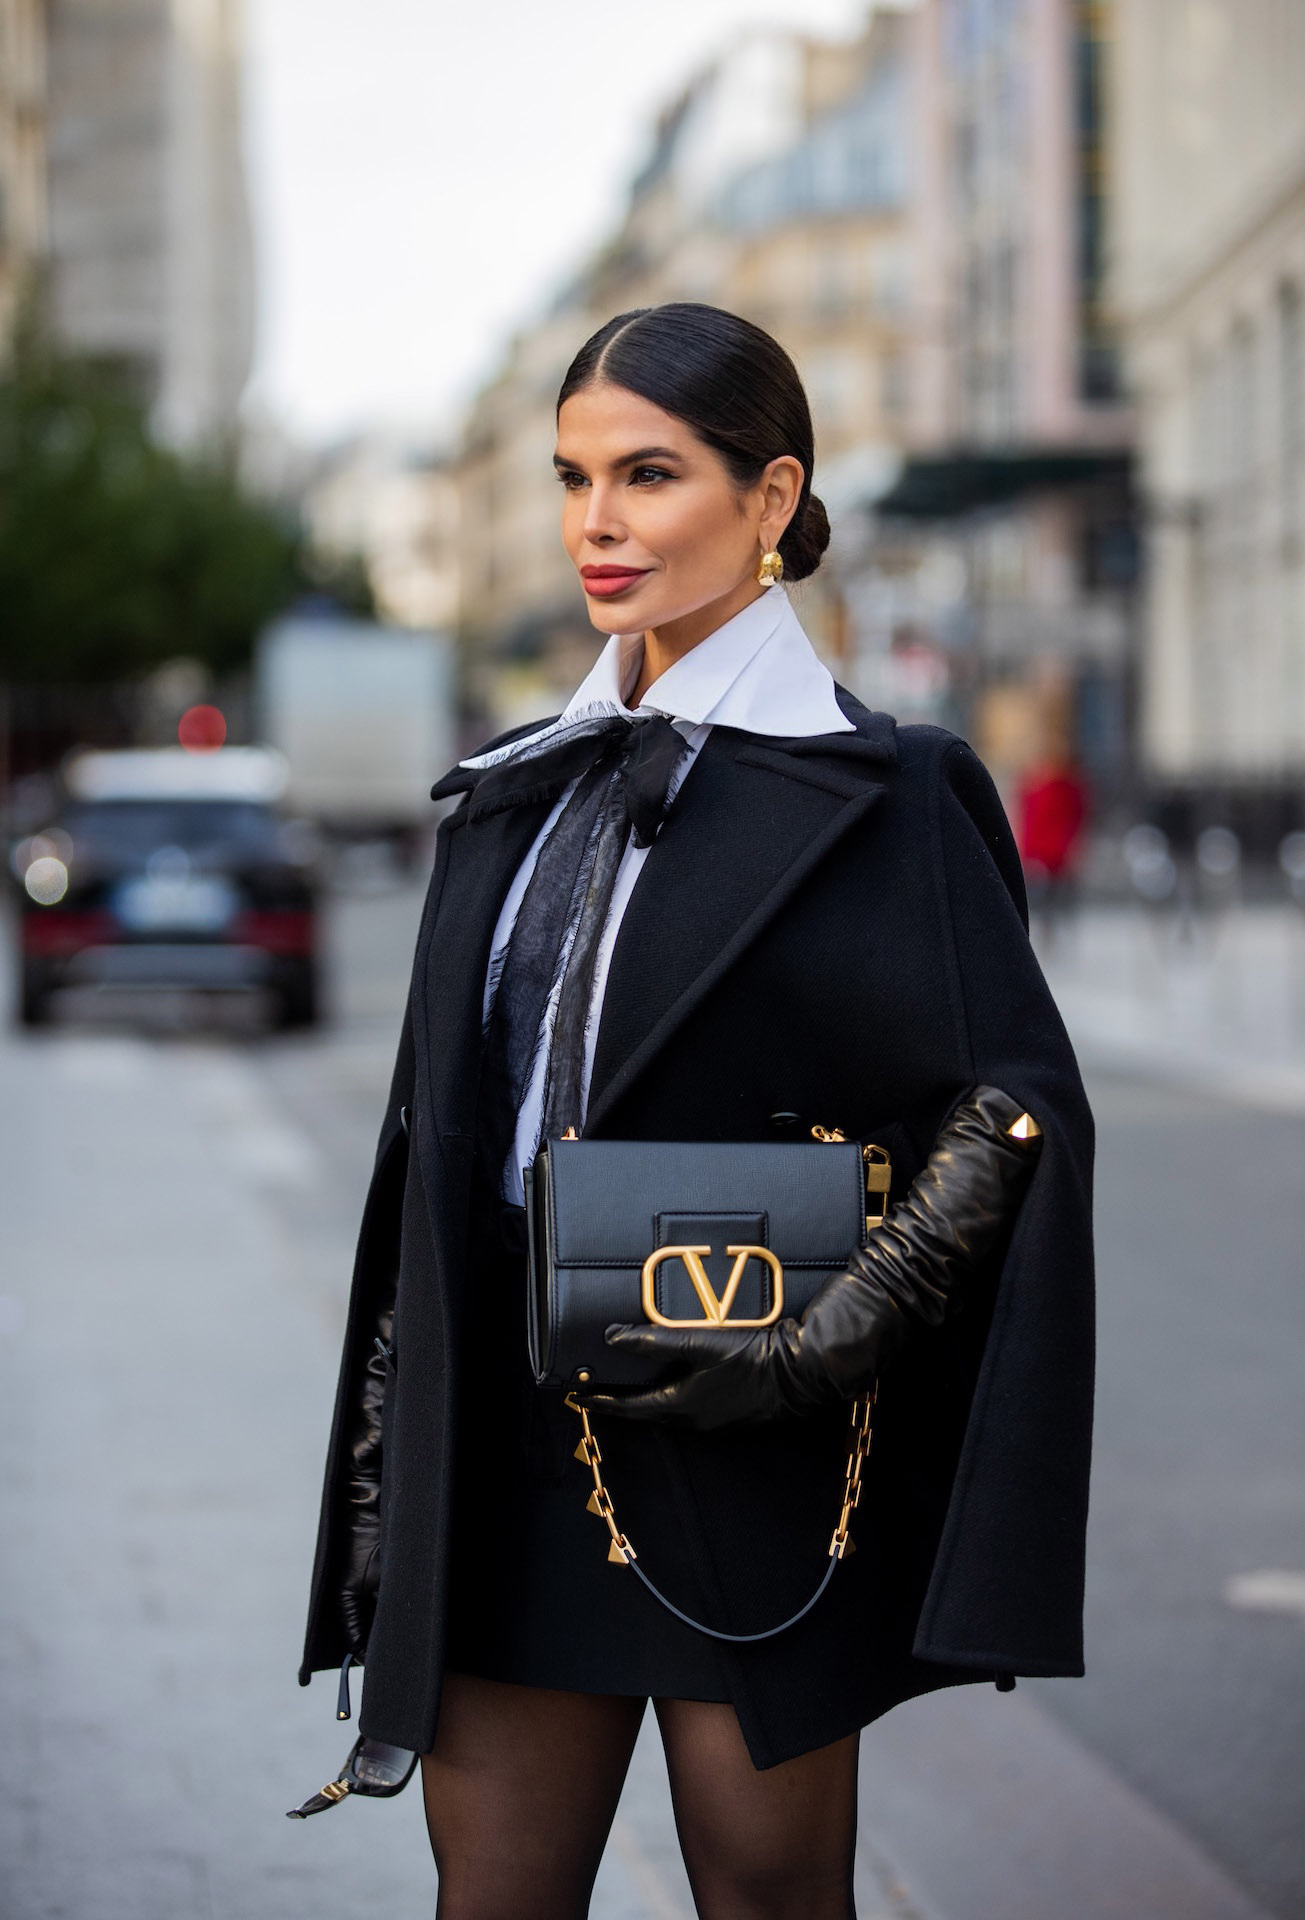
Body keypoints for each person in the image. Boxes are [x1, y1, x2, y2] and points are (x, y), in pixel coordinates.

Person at [298, 304, 1095, 1919]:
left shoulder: (889, 790)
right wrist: (391, 1467)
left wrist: (828, 1340)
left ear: (768, 494)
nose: (596, 521)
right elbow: (435, 1150)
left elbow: (1014, 1106)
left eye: (648, 475)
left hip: (752, 1436)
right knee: (492, 1895)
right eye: (572, 477)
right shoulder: (512, 789)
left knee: (768, 1894)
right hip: (504, 1440)